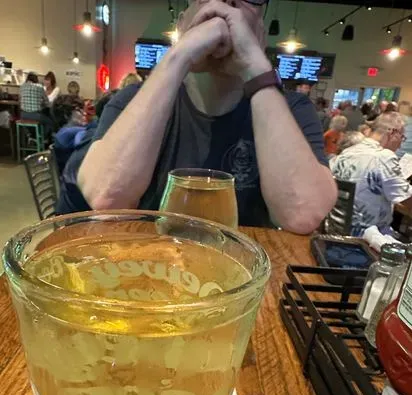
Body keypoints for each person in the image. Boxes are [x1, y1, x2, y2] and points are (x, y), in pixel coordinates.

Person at [73, 0, 337, 233]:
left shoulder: (293, 108)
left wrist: (257, 69)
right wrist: (179, 56)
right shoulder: (133, 99)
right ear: (181, 24)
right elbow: (107, 198)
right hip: (152, 260)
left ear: (261, 35)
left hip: (242, 267)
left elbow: (303, 214)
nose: (224, 4)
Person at [330, 112, 412, 236]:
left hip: (336, 233)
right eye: (402, 137)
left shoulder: (347, 152)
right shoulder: (383, 157)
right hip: (369, 238)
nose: (400, 144)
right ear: (393, 133)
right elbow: (408, 200)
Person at [52, 95, 87, 174]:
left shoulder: (63, 131)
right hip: (72, 178)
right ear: (66, 115)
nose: (84, 113)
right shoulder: (65, 133)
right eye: (79, 110)